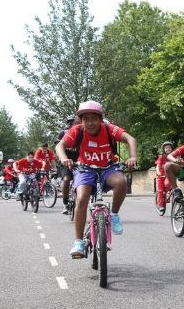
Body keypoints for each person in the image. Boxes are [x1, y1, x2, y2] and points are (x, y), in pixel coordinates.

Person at [56, 100, 137, 258]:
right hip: (86, 169)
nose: (90, 123)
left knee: (121, 182)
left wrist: (133, 157)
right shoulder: (77, 130)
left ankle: (114, 215)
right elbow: (60, 145)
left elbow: (130, 139)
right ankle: (78, 242)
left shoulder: (108, 129)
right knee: (82, 198)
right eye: (86, 119)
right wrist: (64, 158)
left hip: (108, 167)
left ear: (100, 119)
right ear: (81, 120)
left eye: (94, 118)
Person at [56, 116, 76, 214]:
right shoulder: (63, 133)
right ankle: (65, 203)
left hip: (80, 161)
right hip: (66, 162)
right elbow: (58, 145)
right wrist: (64, 158)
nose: (71, 124)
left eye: (73, 122)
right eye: (69, 122)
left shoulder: (81, 132)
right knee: (67, 179)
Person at [155, 141, 173, 213]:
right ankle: (161, 206)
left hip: (169, 175)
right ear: (164, 149)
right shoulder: (161, 156)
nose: (167, 149)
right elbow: (157, 166)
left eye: (169, 147)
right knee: (160, 191)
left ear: (172, 148)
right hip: (161, 176)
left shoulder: (173, 156)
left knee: (168, 184)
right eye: (166, 148)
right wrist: (158, 172)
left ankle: (167, 193)